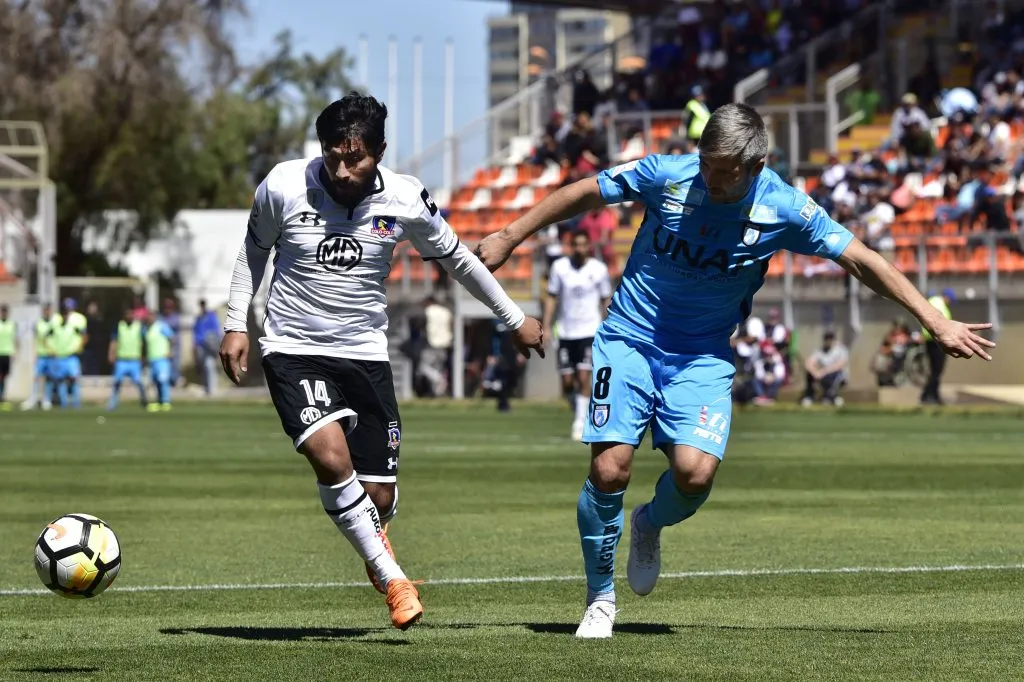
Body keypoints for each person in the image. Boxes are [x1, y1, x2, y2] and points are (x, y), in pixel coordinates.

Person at [475, 102, 995, 639]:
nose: (713, 180)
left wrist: (934, 319)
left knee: (695, 475)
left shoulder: (785, 208)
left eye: (726, 171)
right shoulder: (667, 175)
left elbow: (861, 258)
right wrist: (512, 235)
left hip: (702, 355)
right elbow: (586, 190)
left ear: (755, 164)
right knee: (609, 470)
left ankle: (649, 522)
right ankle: (600, 599)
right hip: (629, 337)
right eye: (707, 166)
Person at [218, 93, 544, 631]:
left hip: (366, 354)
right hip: (294, 347)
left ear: (380, 151)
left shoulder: (406, 198)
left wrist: (514, 317)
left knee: (379, 498)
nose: (343, 169)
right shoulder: (281, 186)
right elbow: (252, 251)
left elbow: (459, 260)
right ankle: (393, 577)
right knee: (329, 459)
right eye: (333, 156)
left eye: (356, 158)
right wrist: (236, 323)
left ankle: (374, 542)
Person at [543, 230, 612, 440]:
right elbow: (552, 297)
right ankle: (580, 409)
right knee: (567, 382)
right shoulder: (559, 267)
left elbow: (606, 299)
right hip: (565, 330)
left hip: (589, 330)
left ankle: (580, 422)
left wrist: (607, 326)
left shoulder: (599, 269)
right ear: (571, 246)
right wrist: (546, 325)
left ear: (588, 246)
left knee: (584, 376)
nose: (580, 249)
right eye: (576, 245)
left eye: (584, 244)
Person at [107, 308, 148, 411]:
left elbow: (144, 342)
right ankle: (113, 402)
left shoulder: (139, 326)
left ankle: (144, 399)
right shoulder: (119, 326)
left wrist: (143, 356)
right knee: (117, 381)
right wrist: (111, 353)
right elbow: (114, 341)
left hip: (134, 359)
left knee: (138, 381)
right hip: (122, 359)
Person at [50, 298, 88, 409]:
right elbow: (48, 336)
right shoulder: (56, 319)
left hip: (72, 355)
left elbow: (84, 335)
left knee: (74, 378)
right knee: (60, 380)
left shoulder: (79, 319)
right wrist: (51, 349)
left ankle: (76, 403)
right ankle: (64, 403)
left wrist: (79, 347)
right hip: (59, 355)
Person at [921, 288, 955, 405]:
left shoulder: (935, 302)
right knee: (937, 370)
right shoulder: (938, 303)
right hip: (936, 341)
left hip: (932, 340)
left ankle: (929, 395)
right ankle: (931, 396)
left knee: (935, 370)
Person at [21, 303, 58, 411]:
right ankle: (33, 398)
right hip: (41, 354)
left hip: (51, 355)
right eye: (45, 310)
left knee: (49, 378)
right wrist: (35, 352)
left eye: (48, 310)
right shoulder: (38, 323)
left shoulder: (55, 323)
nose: (47, 312)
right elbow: (35, 340)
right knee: (37, 377)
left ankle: (46, 399)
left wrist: (55, 350)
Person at [801, 330, 849, 407]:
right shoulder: (819, 351)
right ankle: (809, 396)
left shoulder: (840, 350)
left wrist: (823, 371)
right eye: (827, 339)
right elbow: (808, 363)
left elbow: (839, 365)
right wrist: (815, 372)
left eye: (831, 339)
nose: (829, 341)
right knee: (809, 374)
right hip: (823, 375)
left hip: (838, 375)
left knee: (831, 375)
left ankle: (831, 397)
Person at [145, 309, 176, 412]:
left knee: (163, 380)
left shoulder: (161, 326)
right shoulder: (147, 328)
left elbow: (172, 338)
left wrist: (170, 351)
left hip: (162, 358)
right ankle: (158, 401)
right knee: (154, 381)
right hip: (152, 359)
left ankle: (165, 401)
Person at [193, 300, 222, 396]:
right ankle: (207, 388)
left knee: (209, 366)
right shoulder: (198, 318)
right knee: (204, 367)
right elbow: (195, 333)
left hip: (210, 346)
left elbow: (217, 331)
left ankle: (211, 389)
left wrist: (217, 345)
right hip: (200, 345)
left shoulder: (211, 317)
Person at [0, 304, 16, 410]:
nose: (4, 313)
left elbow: (15, 339)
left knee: (4, 377)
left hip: (8, 353)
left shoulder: (12, 324)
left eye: (6, 311)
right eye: (3, 311)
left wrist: (15, 352)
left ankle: (2, 397)